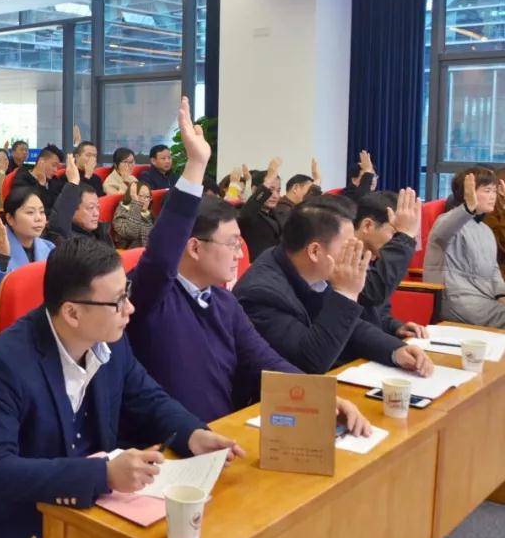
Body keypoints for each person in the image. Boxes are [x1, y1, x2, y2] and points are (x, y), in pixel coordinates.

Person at [0, 235, 245, 538]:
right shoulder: (6, 362)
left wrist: (193, 434)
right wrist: (103, 475)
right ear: (72, 313)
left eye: (127, 293)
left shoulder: (110, 340)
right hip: (29, 532)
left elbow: (149, 398)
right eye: (118, 301)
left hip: (96, 519)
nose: (130, 308)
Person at [125, 98, 373, 427]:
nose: (241, 254)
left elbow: (266, 362)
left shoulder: (224, 302)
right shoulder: (151, 298)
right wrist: (196, 165)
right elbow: (161, 254)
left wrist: (322, 398)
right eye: (231, 244)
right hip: (169, 444)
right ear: (194, 247)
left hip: (226, 435)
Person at [234, 195, 433, 375]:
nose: (354, 253)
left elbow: (353, 327)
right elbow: (310, 361)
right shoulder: (261, 294)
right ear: (315, 251)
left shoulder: (309, 268)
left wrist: (395, 350)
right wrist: (346, 294)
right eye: (347, 246)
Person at [424, 169, 505, 329]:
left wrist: (502, 295)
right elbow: (444, 231)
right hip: (456, 300)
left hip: (485, 299)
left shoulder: (484, 229)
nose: (493, 196)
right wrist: (468, 207)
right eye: (487, 191)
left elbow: (494, 271)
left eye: (494, 191)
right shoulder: (446, 221)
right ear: (467, 193)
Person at [354, 190, 429, 339]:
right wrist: (404, 237)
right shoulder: (340, 259)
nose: (396, 241)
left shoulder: (372, 258)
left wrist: (395, 327)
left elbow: (377, 313)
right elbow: (372, 293)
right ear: (367, 225)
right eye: (395, 234)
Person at [0, 187, 55, 308]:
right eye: (30, 212)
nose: (39, 218)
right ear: (10, 219)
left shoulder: (49, 248)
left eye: (42, 212)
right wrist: (2, 258)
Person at [46, 154, 111, 246]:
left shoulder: (101, 232)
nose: (96, 213)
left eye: (97, 207)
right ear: (72, 210)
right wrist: (73, 182)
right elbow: (58, 225)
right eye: (91, 208)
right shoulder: (68, 240)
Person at [237, 158, 283, 262]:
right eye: (270, 190)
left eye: (278, 190)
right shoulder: (247, 211)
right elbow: (244, 216)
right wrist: (267, 182)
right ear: (254, 190)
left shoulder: (276, 214)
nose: (275, 195)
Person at [11, 145, 59, 214]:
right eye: (53, 165)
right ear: (41, 162)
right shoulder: (22, 178)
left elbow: (58, 204)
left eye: (57, 166)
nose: (55, 170)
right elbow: (27, 205)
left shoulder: (54, 180)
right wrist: (41, 184)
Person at [112, 182, 153, 250]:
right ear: (131, 196)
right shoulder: (121, 213)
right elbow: (131, 233)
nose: (145, 200)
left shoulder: (148, 214)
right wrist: (136, 203)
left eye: (147, 197)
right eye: (140, 196)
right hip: (131, 253)